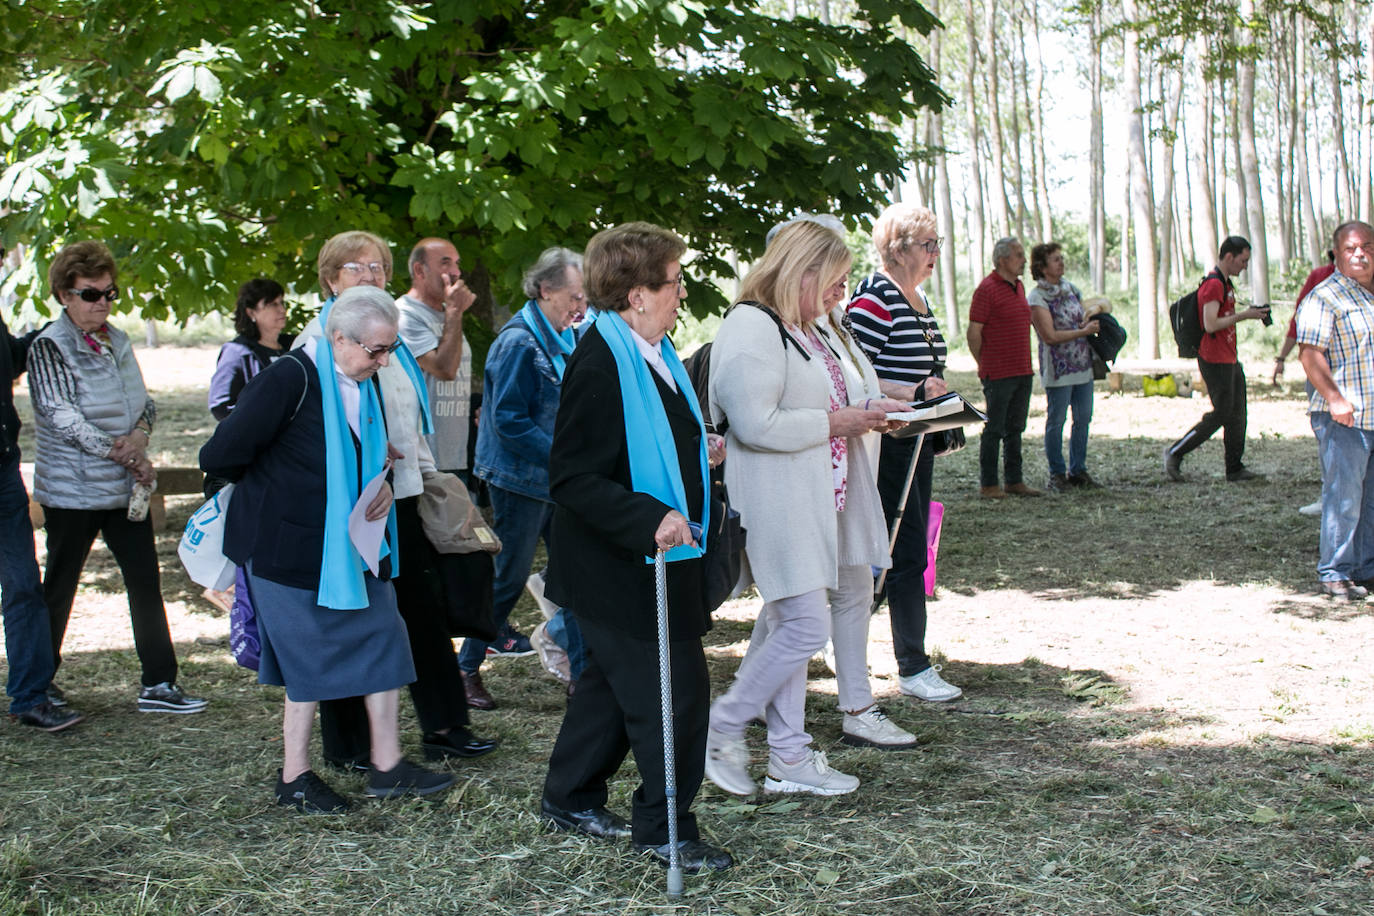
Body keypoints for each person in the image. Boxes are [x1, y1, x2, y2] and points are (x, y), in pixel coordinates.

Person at [201, 286, 454, 811]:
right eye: (376, 350)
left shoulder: (364, 377)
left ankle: (388, 766)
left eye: (390, 350)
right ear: (338, 338)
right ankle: (294, 778)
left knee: (385, 636)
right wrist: (288, 485)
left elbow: (367, 450)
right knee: (307, 660)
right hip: (287, 546)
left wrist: (383, 481)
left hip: (354, 543)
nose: (384, 361)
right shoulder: (288, 379)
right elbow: (221, 455)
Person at [540, 222, 731, 874]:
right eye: (673, 281)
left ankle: (568, 798)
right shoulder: (600, 358)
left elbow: (646, 440)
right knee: (675, 696)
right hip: (618, 565)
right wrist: (649, 515)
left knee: (609, 689)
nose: (682, 292)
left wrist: (697, 450)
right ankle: (662, 830)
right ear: (637, 294)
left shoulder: (654, 351)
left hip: (650, 561)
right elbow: (572, 476)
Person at [705, 220, 904, 798]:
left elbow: (823, 398)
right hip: (774, 494)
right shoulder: (752, 324)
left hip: (809, 491)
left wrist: (864, 411)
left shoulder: (796, 326)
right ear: (802, 271)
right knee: (804, 625)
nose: (840, 294)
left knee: (794, 623)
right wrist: (838, 422)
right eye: (834, 280)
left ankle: (788, 756)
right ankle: (726, 723)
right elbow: (755, 423)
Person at [296, 231, 499, 769]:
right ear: (330, 280)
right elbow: (314, 430)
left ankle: (446, 725)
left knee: (423, 615)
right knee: (352, 620)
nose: (371, 276)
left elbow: (409, 417)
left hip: (403, 496)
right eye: (356, 267)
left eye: (379, 267)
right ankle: (350, 746)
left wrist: (428, 476)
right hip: (352, 506)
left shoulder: (396, 342)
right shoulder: (317, 341)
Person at [27, 241, 206, 715]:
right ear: (64, 295)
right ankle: (37, 683)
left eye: (110, 292)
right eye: (91, 294)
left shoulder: (119, 339)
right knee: (60, 586)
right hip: (72, 490)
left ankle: (159, 683)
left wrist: (140, 437)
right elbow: (60, 416)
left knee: (145, 581)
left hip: (124, 487)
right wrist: (122, 452)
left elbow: (145, 402)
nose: (103, 302)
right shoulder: (49, 345)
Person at [847, 202, 964, 703]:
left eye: (938, 243)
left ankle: (898, 656)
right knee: (898, 549)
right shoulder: (876, 298)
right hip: (886, 444)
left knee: (909, 549)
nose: (935, 252)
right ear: (896, 250)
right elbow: (852, 374)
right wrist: (913, 393)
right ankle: (910, 665)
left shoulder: (917, 297)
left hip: (915, 441)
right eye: (927, 244)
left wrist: (934, 396)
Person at [465, 247, 586, 709]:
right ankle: (465, 668)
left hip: (554, 479)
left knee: (574, 575)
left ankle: (582, 676)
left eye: (584, 297)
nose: (580, 306)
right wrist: (562, 457)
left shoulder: (563, 336)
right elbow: (508, 420)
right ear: (545, 290)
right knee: (508, 580)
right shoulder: (519, 342)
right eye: (574, 296)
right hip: (519, 480)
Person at [1, 310, 82, 731]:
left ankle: (31, 697)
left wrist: (65, 322)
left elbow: (14, 356)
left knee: (23, 584)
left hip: (3, 472)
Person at [1296, 221, 1374, 602]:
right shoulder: (1324, 297)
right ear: (1337, 254)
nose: (1360, 254)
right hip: (1344, 417)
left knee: (1369, 500)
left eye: (1367, 246)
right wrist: (1334, 398)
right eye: (1351, 248)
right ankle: (1334, 573)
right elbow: (1310, 354)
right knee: (1343, 498)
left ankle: (1365, 569)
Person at [1164, 236, 1269, 482]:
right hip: (1213, 358)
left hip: (1229, 357)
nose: (1245, 266)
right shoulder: (1213, 285)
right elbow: (1210, 324)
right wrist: (1245, 315)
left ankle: (1235, 467)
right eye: (1243, 261)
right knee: (1222, 413)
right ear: (1229, 256)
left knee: (1237, 413)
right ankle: (1175, 452)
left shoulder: (1226, 284)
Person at [395, 238, 476, 478]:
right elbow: (445, 369)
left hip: (456, 454)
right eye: (445, 263)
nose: (456, 272)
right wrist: (455, 312)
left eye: (457, 263)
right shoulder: (404, 314)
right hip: (424, 459)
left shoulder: (447, 313)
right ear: (419, 270)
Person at [968, 237, 1041, 498]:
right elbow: (974, 333)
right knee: (994, 429)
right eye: (1018, 255)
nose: (1023, 260)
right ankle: (988, 484)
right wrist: (984, 362)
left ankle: (1014, 480)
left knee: (1016, 428)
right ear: (1002, 260)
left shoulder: (1019, 287)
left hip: (1022, 369)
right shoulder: (986, 289)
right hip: (998, 372)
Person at [1027, 242, 1100, 492]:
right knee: (1057, 420)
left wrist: (1090, 319)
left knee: (1083, 418)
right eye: (1055, 259)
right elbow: (1049, 336)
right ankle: (1056, 473)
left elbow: (1082, 313)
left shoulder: (1071, 289)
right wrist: (1083, 332)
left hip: (1082, 365)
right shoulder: (1037, 298)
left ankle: (1078, 469)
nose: (1061, 263)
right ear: (1042, 266)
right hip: (1058, 369)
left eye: (1061, 258)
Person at [208, 278, 292, 421]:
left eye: (281, 303)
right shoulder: (237, 352)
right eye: (272, 304)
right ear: (251, 312)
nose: (282, 310)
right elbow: (220, 406)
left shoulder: (294, 345)